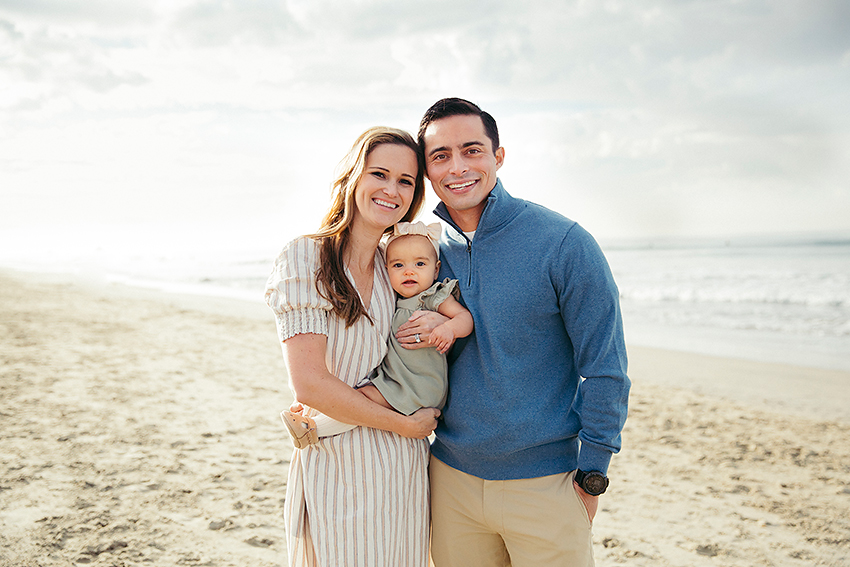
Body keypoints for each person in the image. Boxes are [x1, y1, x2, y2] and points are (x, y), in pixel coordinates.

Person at [397, 98, 631, 566]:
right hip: (450, 482)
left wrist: (592, 477)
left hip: (547, 485)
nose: (458, 167)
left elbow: (605, 370)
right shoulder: (421, 255)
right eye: (441, 155)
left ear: (498, 157)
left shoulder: (564, 243)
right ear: (427, 169)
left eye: (472, 150)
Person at [264, 127, 440, 567]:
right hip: (340, 462)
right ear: (353, 177)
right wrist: (402, 425)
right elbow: (310, 385)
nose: (391, 189)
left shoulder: (394, 266)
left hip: (404, 469)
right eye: (379, 174)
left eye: (405, 181)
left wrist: (439, 318)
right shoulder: (307, 257)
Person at [281, 220, 474, 449]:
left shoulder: (432, 296)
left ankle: (313, 429)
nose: (409, 271)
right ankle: (313, 419)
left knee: (363, 399)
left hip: (419, 385)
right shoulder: (392, 297)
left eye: (420, 264)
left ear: (436, 269)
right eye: (398, 265)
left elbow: (466, 319)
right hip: (396, 378)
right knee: (361, 399)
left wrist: (448, 329)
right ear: (386, 269)